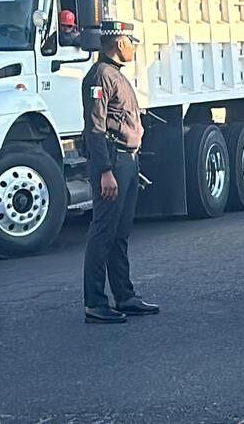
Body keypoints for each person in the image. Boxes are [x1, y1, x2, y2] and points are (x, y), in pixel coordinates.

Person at [81, 20, 157, 323]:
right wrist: (105, 171)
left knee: (119, 235)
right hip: (112, 162)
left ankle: (124, 296)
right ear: (119, 43)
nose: (135, 47)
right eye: (132, 42)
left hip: (126, 160)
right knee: (103, 233)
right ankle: (95, 303)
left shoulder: (115, 75)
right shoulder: (100, 76)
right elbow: (95, 129)